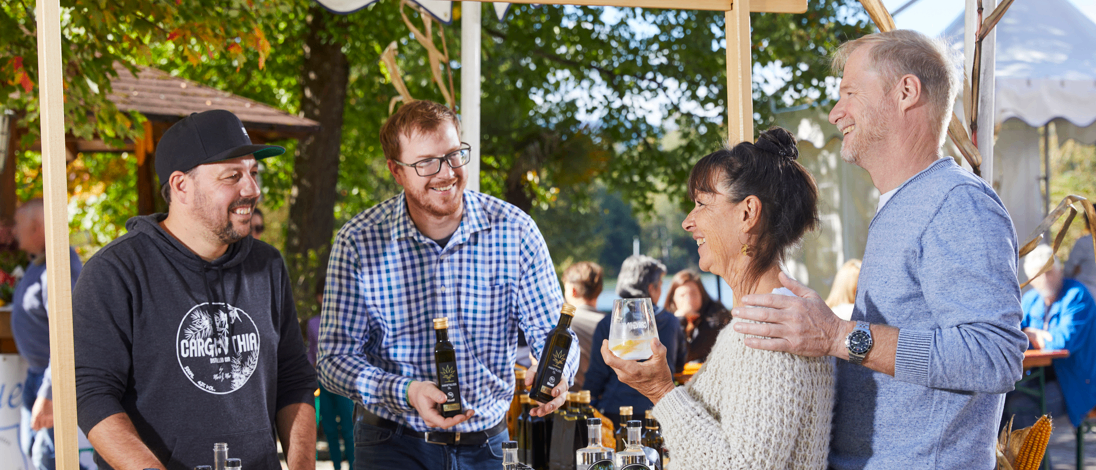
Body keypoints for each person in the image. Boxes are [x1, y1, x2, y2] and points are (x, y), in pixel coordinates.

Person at [724, 31, 1027, 469]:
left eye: (849, 92)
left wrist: (838, 335)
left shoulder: (957, 202)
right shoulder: (907, 203)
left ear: (906, 92)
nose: (835, 112)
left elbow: (994, 356)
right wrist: (828, 333)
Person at [318, 100, 577, 470]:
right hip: (392, 444)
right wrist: (406, 391)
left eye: (454, 155)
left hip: (488, 445)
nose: (446, 172)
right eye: (426, 162)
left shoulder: (515, 230)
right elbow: (333, 360)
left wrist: (557, 373)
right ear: (396, 171)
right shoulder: (358, 241)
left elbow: (552, 330)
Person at [73, 109, 318, 470]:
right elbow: (91, 394)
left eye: (253, 172)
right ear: (181, 186)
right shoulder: (116, 272)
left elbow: (293, 377)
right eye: (232, 176)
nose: (252, 189)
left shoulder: (266, 264)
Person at [599, 128, 834, 469]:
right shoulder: (768, 318)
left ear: (747, 213)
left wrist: (662, 391)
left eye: (701, 203)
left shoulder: (772, 327)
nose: (687, 221)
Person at [11, 199, 84, 470]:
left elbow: (69, 335)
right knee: (34, 449)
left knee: (50, 457)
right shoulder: (39, 263)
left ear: (37, 228)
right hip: (37, 375)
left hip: (52, 377)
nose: (15, 231)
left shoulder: (59, 267)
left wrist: (51, 391)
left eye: (19, 224)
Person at [584, 254, 685, 425]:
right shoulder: (671, 322)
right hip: (659, 411)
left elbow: (596, 375)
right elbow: (679, 365)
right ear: (651, 289)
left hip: (616, 411)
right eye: (660, 285)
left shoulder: (608, 324)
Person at [1004, 244, 1096, 429]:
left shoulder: (1077, 295)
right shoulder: (1030, 299)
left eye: (1050, 272)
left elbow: (1063, 342)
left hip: (1076, 383)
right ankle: (1005, 459)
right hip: (1038, 377)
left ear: (1060, 271)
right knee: (998, 399)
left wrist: (1030, 335)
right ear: (1031, 279)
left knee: (1020, 407)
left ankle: (1036, 460)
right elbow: (1012, 334)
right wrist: (1036, 336)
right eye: (1040, 274)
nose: (1046, 279)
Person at [308, 277, 355, 470]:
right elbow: (311, 353)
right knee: (329, 429)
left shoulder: (346, 321)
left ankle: (353, 466)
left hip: (344, 383)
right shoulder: (313, 323)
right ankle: (336, 466)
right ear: (319, 298)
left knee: (348, 427)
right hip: (322, 383)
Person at [663, 269, 731, 363]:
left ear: (702, 295)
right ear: (673, 299)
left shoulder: (716, 317)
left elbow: (686, 356)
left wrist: (679, 320)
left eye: (693, 294)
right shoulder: (665, 318)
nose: (688, 300)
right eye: (682, 295)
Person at [562, 261, 606, 391]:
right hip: (604, 401)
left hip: (572, 401)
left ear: (573, 291)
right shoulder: (611, 323)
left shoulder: (564, 324)